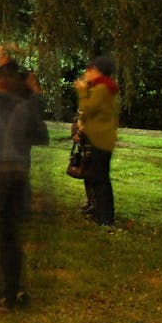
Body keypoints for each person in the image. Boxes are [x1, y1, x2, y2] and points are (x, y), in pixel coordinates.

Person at [0, 54, 49, 312]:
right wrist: (32, 95)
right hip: (20, 172)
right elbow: (41, 135)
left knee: (5, 235)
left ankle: (6, 296)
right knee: (12, 234)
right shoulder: (23, 103)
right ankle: (17, 289)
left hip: (7, 172)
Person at [73, 56, 119, 227]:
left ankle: (105, 218)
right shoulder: (107, 87)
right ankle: (102, 215)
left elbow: (87, 109)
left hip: (100, 139)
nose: (86, 73)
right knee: (100, 178)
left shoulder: (100, 88)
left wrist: (82, 91)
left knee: (100, 180)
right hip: (104, 137)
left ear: (97, 71)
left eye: (89, 70)